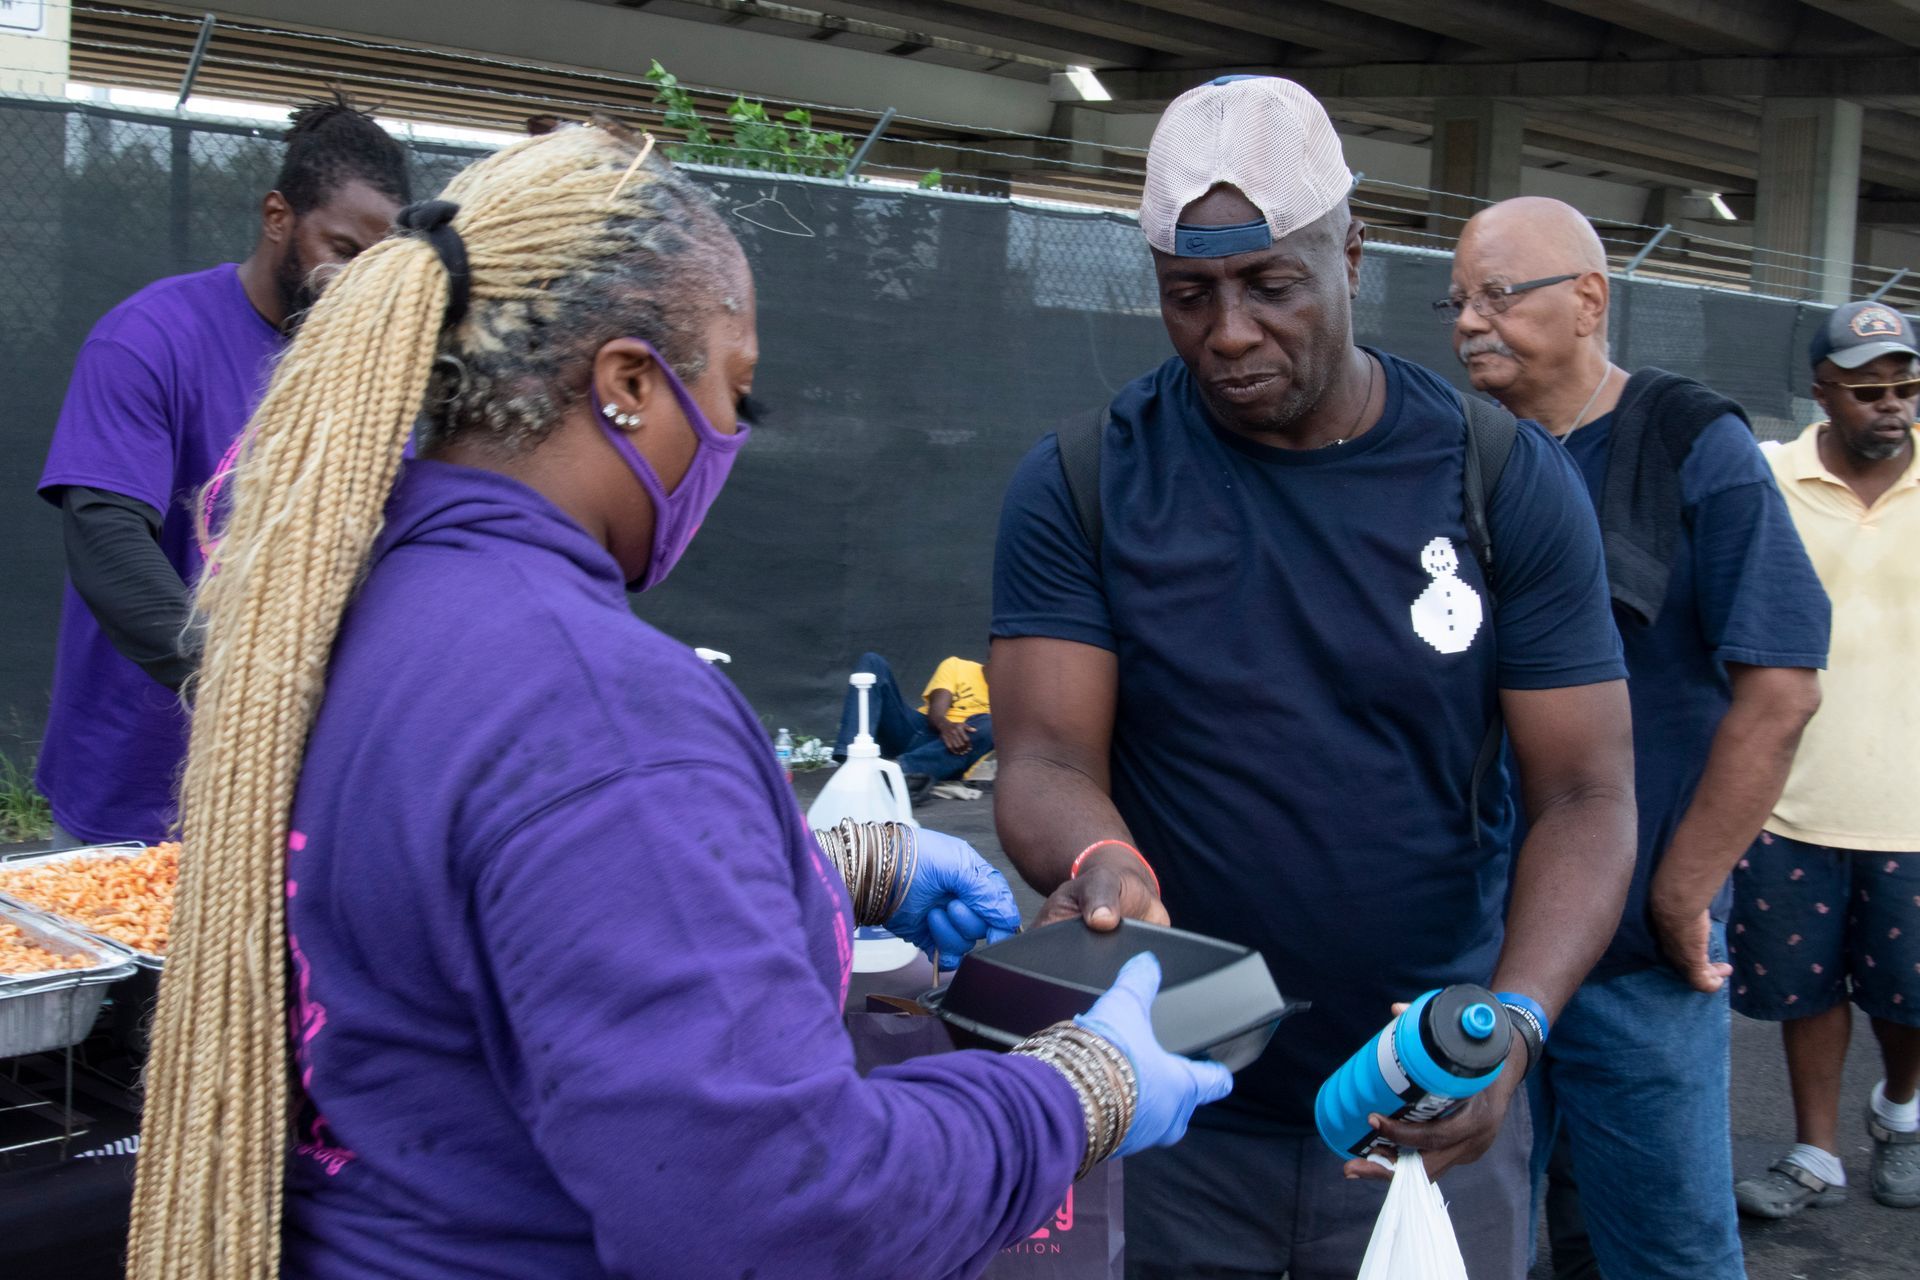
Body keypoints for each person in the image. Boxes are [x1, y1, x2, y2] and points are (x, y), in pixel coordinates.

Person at [123, 125, 1234, 1280]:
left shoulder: (367, 604)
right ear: (630, 385)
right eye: (735, 394)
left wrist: (832, 869)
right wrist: (1076, 1091)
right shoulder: (593, 706)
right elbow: (781, 1210)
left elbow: (496, 914)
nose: (736, 438)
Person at [992, 77, 1637, 1280]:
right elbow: (1045, 756)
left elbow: (1587, 796)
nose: (1229, 332)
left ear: (1351, 247)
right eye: (1189, 295)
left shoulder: (1500, 479)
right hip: (1169, 1109)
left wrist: (1517, 1027)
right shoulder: (1086, 479)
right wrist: (1100, 861)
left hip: (1429, 1110)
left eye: (1270, 285)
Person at [1449, 197, 1830, 1278]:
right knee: (1462, 1245)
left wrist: (1679, 893)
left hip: (1632, 962)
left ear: (1589, 299)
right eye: (1459, 301)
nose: (1472, 322)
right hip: (1472, 951)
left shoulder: (1689, 443)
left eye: (1500, 295)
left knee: (1665, 1250)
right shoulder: (1456, 451)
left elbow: (1781, 690)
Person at [34, 95, 410, 847]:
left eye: (378, 267)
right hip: (134, 790)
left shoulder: (378, 374)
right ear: (278, 217)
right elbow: (108, 544)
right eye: (340, 249)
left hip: (296, 801)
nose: (353, 284)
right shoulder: (149, 338)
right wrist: (257, 695)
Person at [1732, 302, 1920, 1219]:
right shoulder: (1770, 482)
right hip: (1792, 799)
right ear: (1821, 395)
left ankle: (1902, 1115)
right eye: (1869, 391)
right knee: (1809, 989)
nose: (1892, 407)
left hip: (1914, 804)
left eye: (1907, 389)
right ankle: (1815, 1153)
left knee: (1909, 992)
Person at [834, 651, 993, 796]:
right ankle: (849, 761)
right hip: (918, 729)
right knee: (872, 661)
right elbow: (935, 715)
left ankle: (896, 772)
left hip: (951, 755)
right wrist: (946, 726)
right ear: (991, 653)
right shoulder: (958, 666)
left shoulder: (1011, 699)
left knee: (991, 724)